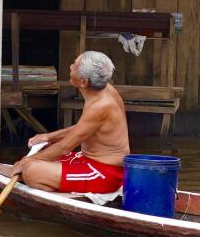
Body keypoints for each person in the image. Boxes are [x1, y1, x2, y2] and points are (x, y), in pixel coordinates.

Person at [12, 51, 131, 200]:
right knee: (44, 148)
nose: (70, 67)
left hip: (105, 173)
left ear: (83, 82)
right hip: (88, 160)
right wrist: (49, 137)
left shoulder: (101, 105)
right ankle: (56, 181)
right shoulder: (106, 90)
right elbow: (85, 127)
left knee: (31, 171)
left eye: (74, 66)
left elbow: (65, 147)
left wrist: (26, 162)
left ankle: (66, 194)